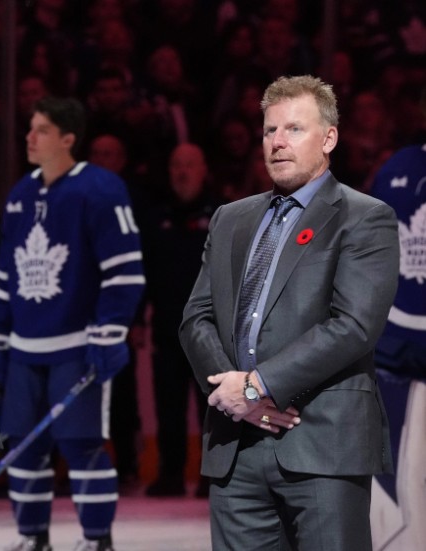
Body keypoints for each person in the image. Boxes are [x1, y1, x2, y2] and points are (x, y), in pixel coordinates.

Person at [179, 75, 399, 550]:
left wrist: (259, 386)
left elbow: (354, 326)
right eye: (269, 130)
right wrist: (233, 392)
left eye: (294, 129)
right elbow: (195, 317)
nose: (277, 142)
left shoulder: (365, 217)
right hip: (236, 446)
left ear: (329, 138)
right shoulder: (230, 218)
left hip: (322, 444)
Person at [0, 96, 145, 551]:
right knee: (25, 448)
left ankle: (96, 539)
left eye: (42, 130)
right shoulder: (20, 195)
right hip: (24, 350)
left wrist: (111, 330)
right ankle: (33, 537)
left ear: (68, 139)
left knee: (81, 444)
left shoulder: (100, 189)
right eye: (30, 128)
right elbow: (6, 277)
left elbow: (124, 270)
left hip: (77, 347)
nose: (30, 137)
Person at [367, 87, 426, 551]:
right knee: (389, 468)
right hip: (395, 337)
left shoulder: (395, 166)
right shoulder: (396, 169)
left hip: (394, 334)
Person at [143, 143, 217, 498]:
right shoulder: (156, 216)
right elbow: (144, 272)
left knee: (214, 405)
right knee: (168, 406)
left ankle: (212, 475)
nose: (182, 172)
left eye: (189, 164)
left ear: (204, 169)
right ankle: (171, 473)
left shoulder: (222, 213)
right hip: (167, 326)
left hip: (212, 329)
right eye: (176, 165)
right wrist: (137, 318)